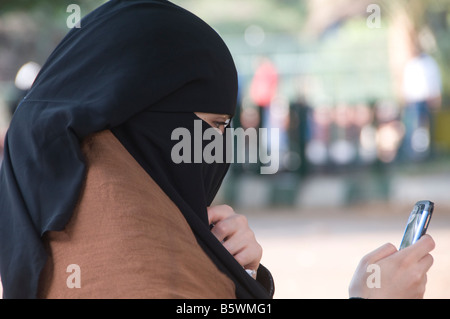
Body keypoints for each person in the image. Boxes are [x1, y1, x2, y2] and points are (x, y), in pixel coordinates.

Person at [0, 0, 434, 299]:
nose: (216, 150)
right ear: (145, 123)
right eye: (211, 129)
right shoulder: (134, 258)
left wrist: (226, 271)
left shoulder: (74, 222)